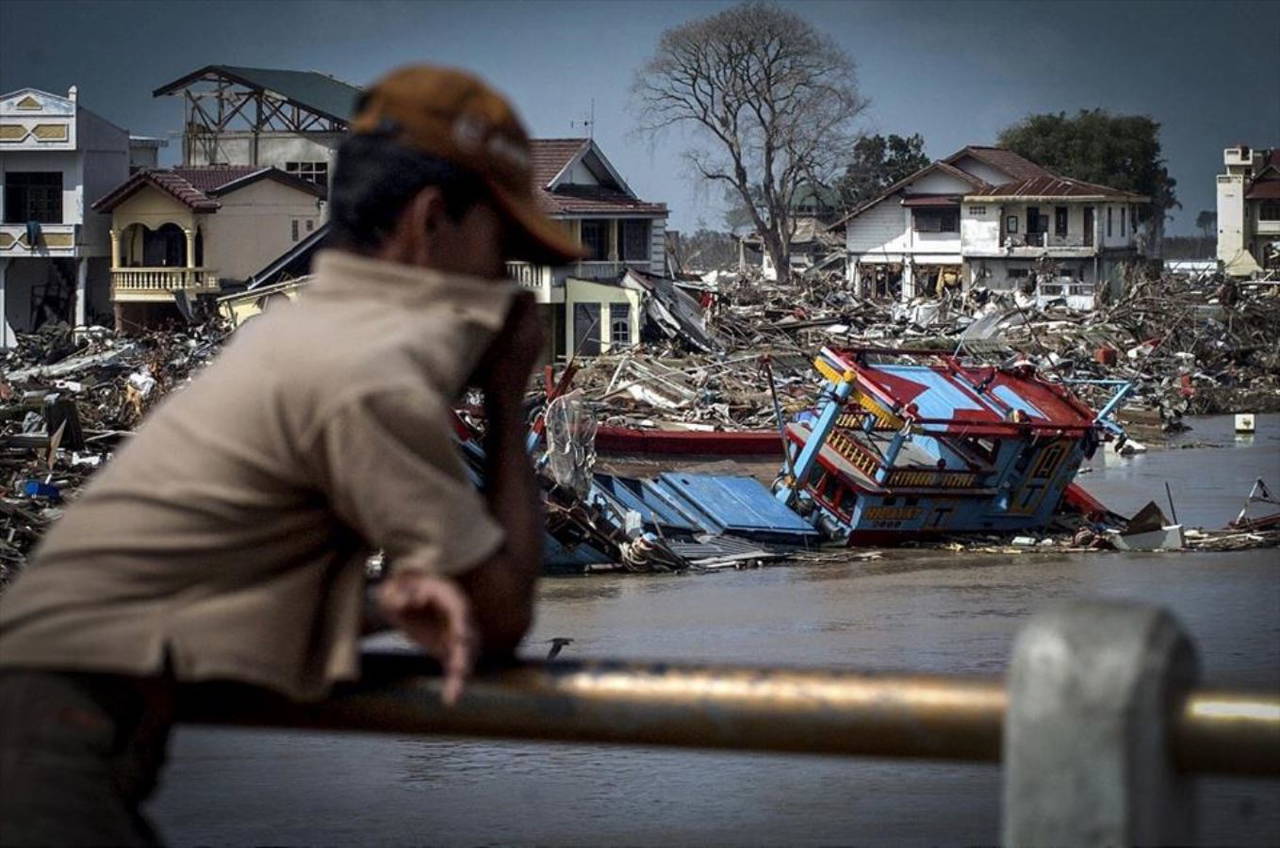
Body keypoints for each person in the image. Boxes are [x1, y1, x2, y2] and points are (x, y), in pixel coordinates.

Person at [0, 65, 580, 847]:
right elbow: (502, 615)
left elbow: (187, 594)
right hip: (43, 761)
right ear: (430, 221)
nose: (505, 282)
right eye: (500, 245)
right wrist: (510, 395)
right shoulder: (366, 375)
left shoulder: (291, 333)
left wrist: (373, 613)